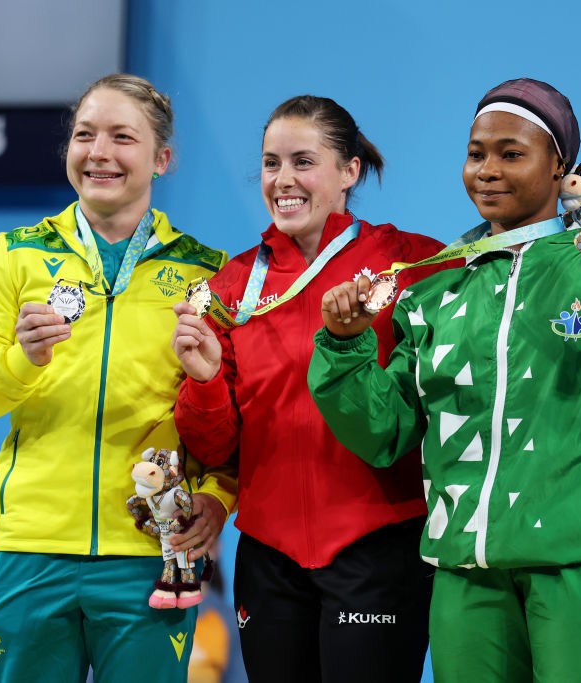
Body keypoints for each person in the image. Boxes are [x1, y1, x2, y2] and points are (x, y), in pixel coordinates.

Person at [308, 78, 581, 682]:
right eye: (477, 154)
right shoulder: (437, 290)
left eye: (512, 153)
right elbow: (384, 432)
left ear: (562, 169)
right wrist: (345, 347)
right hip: (465, 569)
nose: (488, 170)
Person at [0, 73, 237, 683]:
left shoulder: (208, 274)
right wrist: (23, 359)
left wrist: (219, 498)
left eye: (122, 137)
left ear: (163, 159)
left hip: (149, 553)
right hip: (31, 551)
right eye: (84, 135)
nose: (98, 152)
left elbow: (233, 413)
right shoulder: (15, 255)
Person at [170, 95, 448, 683]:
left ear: (349, 172)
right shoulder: (233, 286)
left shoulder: (411, 264)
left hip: (377, 546)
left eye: (303, 161)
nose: (283, 180)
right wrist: (201, 380)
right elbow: (215, 447)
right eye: (272, 164)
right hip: (269, 557)